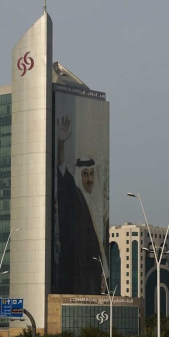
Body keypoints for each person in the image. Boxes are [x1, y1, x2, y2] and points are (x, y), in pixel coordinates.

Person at [54, 116, 104, 295]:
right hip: (72, 272)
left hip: (91, 276)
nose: (89, 179)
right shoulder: (73, 193)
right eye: (85, 174)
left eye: (91, 174)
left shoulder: (98, 205)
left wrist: (103, 274)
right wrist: (61, 142)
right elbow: (61, 171)